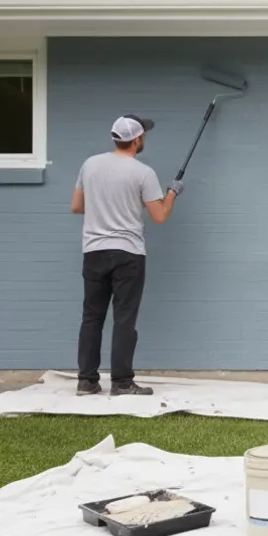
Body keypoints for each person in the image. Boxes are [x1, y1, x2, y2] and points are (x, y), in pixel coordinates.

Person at [70, 114, 183, 396]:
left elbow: (76, 206)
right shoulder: (143, 173)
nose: (145, 139)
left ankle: (86, 381)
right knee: (124, 319)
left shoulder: (90, 164)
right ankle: (121, 383)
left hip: (94, 251)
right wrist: (171, 194)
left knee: (92, 317)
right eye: (143, 135)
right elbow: (159, 216)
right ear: (135, 140)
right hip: (127, 254)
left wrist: (106, 204)